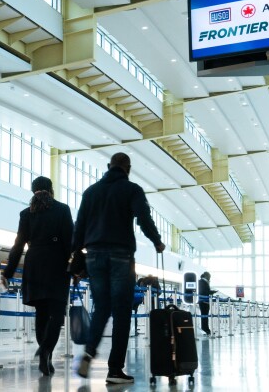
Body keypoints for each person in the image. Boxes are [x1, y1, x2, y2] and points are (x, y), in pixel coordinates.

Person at [71, 152, 165, 384]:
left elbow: (79, 226)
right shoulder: (132, 189)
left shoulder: (91, 192)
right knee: (122, 311)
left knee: (101, 308)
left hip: (94, 255)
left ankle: (89, 352)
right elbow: (143, 218)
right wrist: (157, 241)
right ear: (128, 169)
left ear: (108, 166)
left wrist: (77, 259)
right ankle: (114, 370)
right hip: (121, 255)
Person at [1, 176, 74, 377]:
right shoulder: (62, 210)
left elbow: (18, 245)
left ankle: (45, 354)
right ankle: (45, 350)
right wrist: (75, 267)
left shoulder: (27, 213)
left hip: (34, 264)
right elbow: (70, 242)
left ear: (33, 191)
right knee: (57, 314)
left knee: (41, 313)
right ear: (51, 190)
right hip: (57, 265)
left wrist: (8, 272)